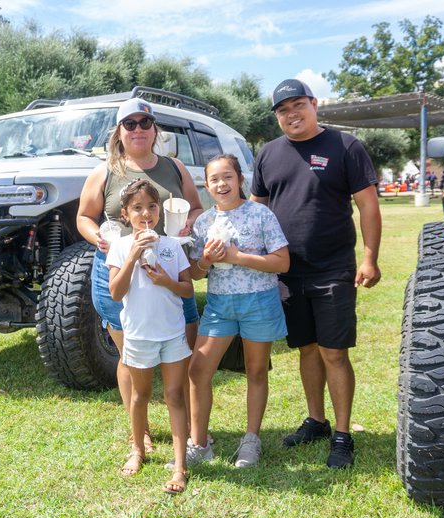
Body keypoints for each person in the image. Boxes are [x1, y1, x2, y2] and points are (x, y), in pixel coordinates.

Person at [251, 79, 382, 469]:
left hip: (333, 267)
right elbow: (257, 211)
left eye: (297, 105)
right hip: (287, 272)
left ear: (314, 104)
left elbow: (369, 207)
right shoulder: (268, 154)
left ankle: (342, 435)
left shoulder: (346, 146)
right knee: (306, 349)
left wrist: (370, 258)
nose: (291, 114)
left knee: (334, 352)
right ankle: (317, 421)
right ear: (277, 117)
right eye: (282, 110)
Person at [76, 97, 204, 454]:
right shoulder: (104, 172)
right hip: (119, 271)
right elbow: (84, 217)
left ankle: (192, 428)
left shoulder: (174, 167)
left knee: (184, 350)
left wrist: (189, 222)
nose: (137, 130)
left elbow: (195, 207)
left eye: (144, 123)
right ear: (119, 131)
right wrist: (96, 236)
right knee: (130, 357)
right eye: (129, 124)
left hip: (170, 267)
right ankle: (141, 432)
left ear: (154, 129)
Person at [184, 154, 289, 469]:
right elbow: (196, 274)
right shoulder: (203, 222)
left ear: (239, 179)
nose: (221, 184)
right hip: (220, 305)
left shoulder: (260, 214)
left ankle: (251, 441)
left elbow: (282, 262)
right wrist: (204, 260)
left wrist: (236, 255)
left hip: (259, 300)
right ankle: (199, 444)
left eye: (227, 177)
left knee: (256, 372)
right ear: (207, 185)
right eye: (214, 179)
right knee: (198, 371)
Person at [106, 178, 193, 494]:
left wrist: (166, 281)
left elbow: (188, 289)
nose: (146, 213)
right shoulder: (119, 246)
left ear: (160, 210)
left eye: (152, 207)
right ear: (126, 215)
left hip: (171, 333)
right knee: (140, 395)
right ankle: (138, 449)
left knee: (174, 395)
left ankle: (180, 465)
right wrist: (132, 255)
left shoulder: (171, 246)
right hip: (139, 335)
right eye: (138, 208)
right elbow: (116, 294)